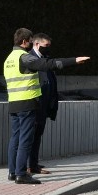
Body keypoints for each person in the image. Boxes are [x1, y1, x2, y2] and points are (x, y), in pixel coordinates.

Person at [4, 28, 89, 185]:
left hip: (14, 103)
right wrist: (73, 60)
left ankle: (12, 172)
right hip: (27, 102)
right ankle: (21, 174)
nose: (31, 44)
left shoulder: (9, 58)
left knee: (15, 138)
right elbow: (47, 64)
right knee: (25, 140)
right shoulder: (24, 57)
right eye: (30, 41)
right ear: (24, 42)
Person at [27, 33, 58, 175]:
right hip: (34, 103)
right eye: (46, 46)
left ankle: (33, 164)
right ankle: (28, 165)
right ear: (37, 44)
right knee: (30, 135)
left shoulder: (45, 59)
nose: (48, 49)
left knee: (38, 134)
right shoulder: (30, 59)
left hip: (44, 104)